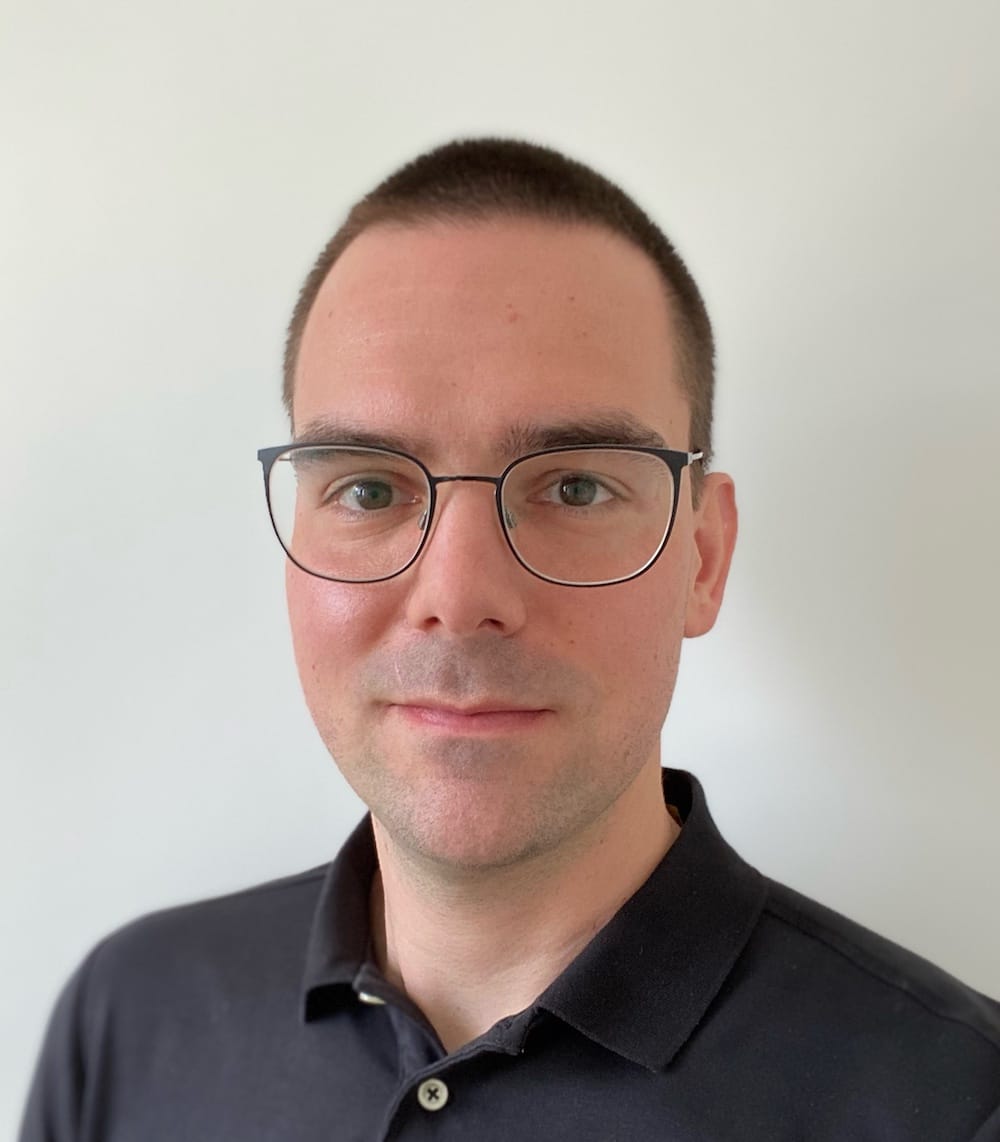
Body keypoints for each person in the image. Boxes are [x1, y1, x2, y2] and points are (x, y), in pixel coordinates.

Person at [20, 138, 1000, 1141]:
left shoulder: (957, 1102)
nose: (459, 596)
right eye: (369, 489)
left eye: (575, 486)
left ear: (702, 556)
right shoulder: (130, 1021)